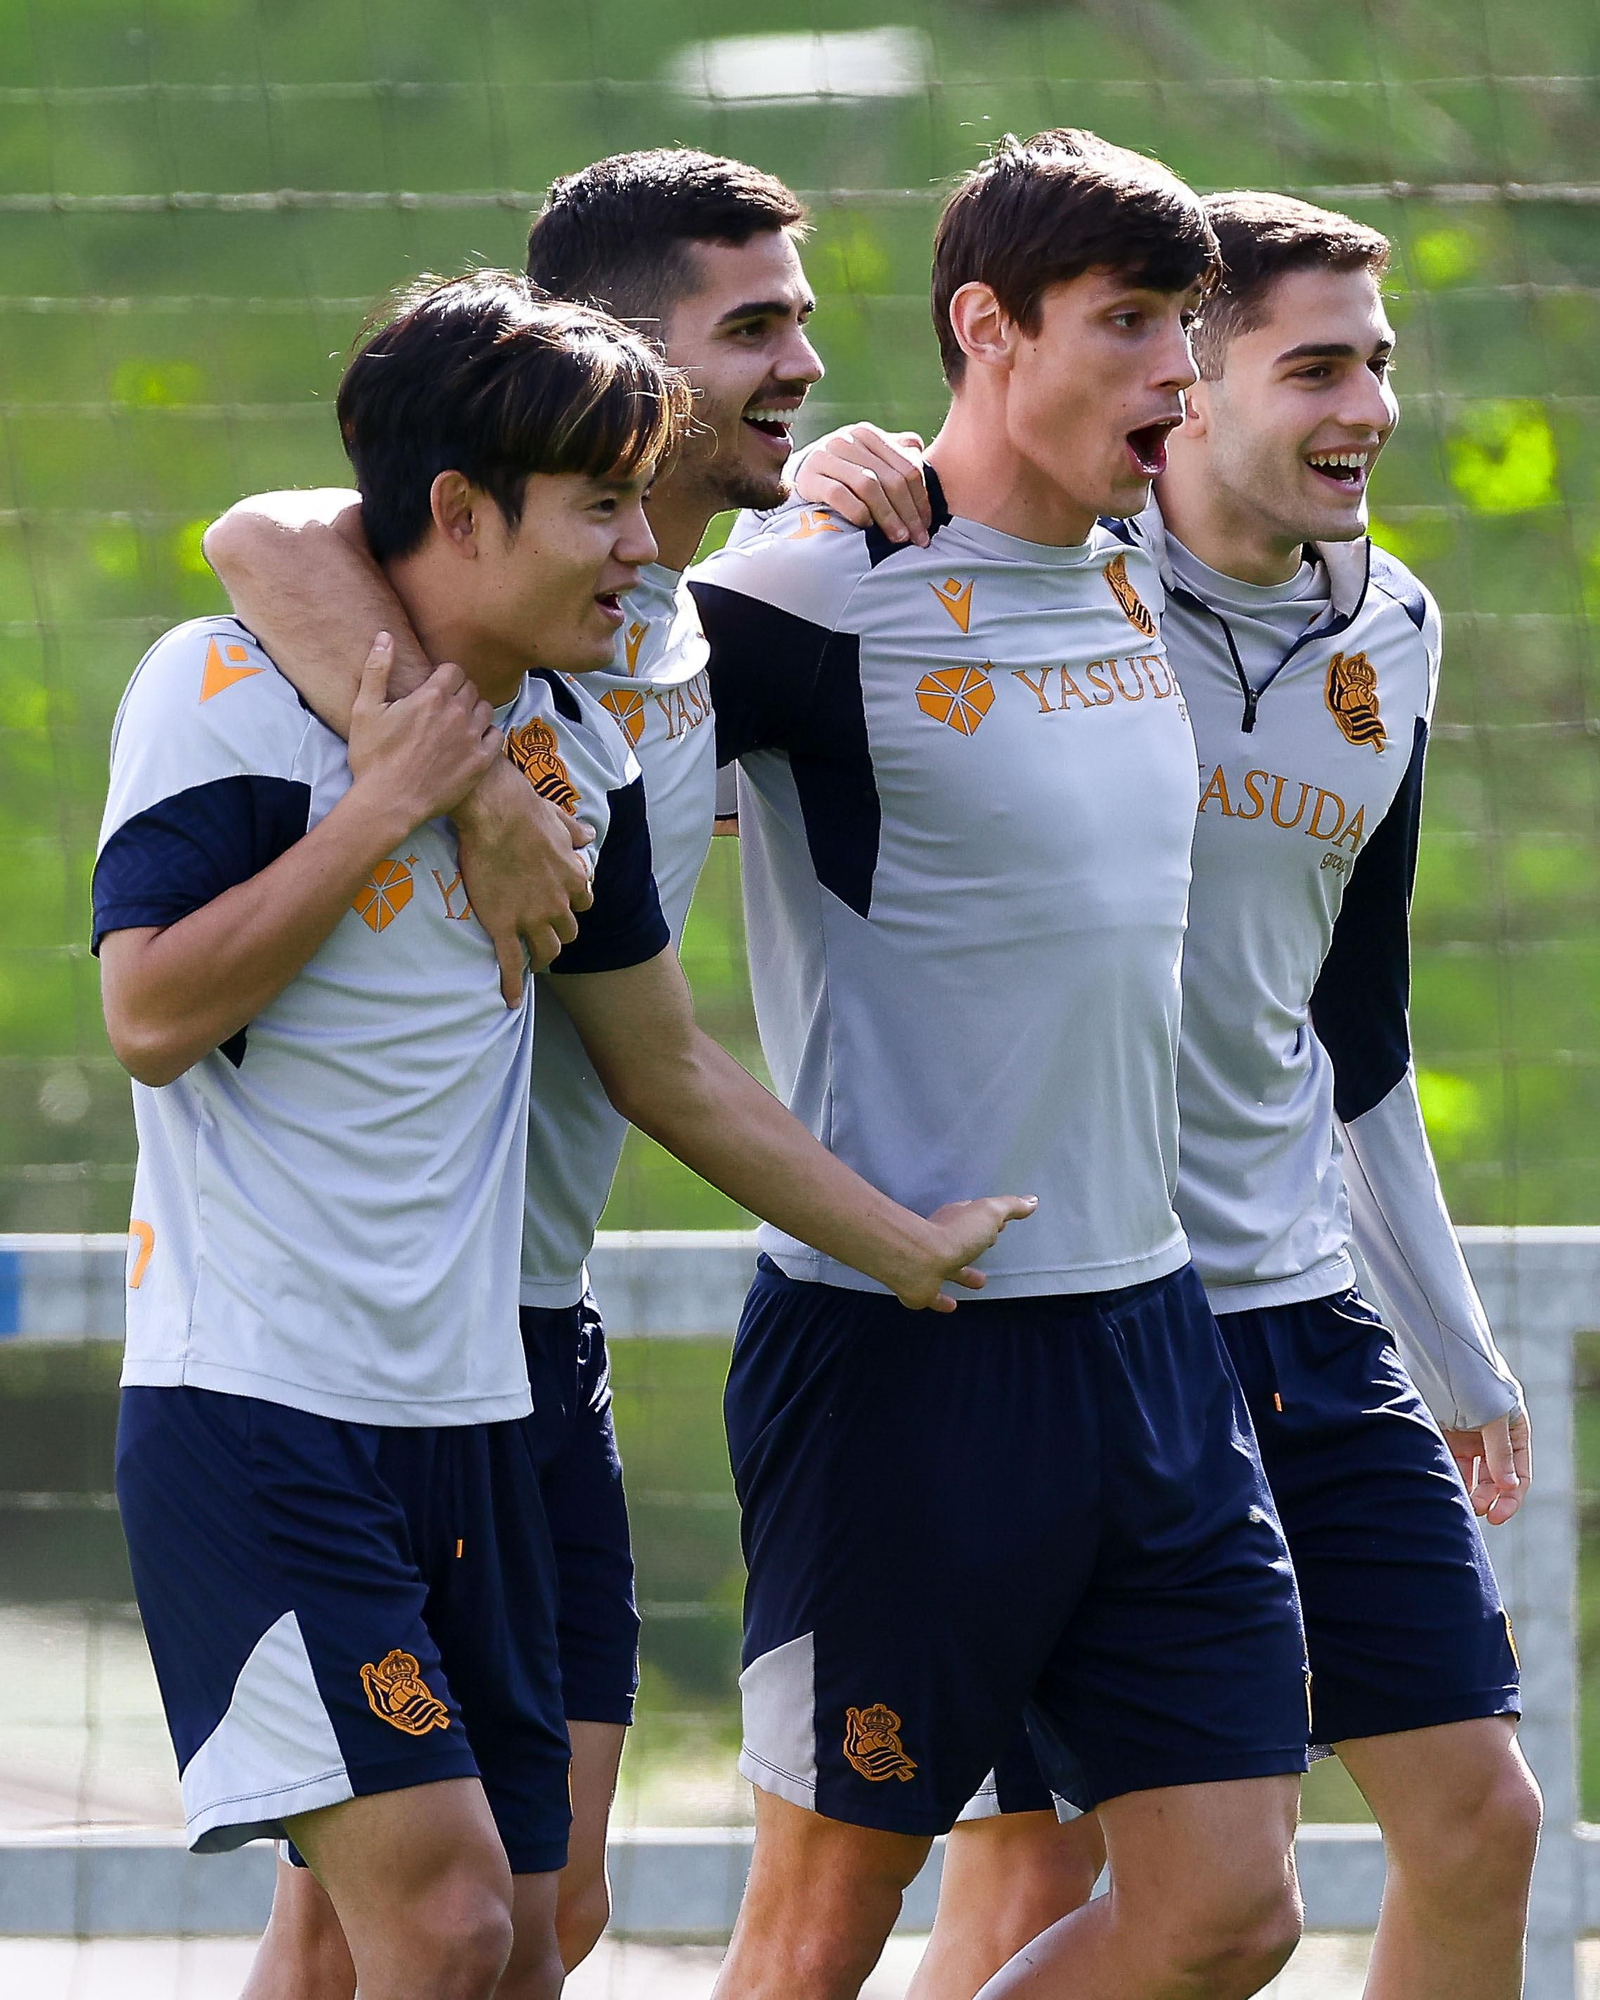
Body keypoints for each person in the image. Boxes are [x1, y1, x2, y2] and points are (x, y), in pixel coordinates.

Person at [101, 270, 1032, 2000]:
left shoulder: (575, 759)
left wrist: (902, 1247)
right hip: (260, 1413)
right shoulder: (221, 686)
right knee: (448, 1923)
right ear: (459, 513)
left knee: (526, 1939)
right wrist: (395, 803)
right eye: (601, 506)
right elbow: (151, 1019)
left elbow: (666, 1065)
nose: (639, 546)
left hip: (478, 1417)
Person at [798, 193, 1542, 2000]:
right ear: (1183, 391)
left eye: (1378, 360)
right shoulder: (1039, 579)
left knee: (1482, 1820)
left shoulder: (1398, 630)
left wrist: (1451, 1347)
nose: (1368, 404)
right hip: (1069, 1322)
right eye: (1316, 365)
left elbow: (1352, 1017)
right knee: (1036, 1877)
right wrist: (837, 475)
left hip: (1298, 1309)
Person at [201, 147, 847, 1986]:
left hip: (531, 1334)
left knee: (499, 1912)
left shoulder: (705, 596)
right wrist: (476, 784)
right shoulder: (442, 594)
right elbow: (260, 529)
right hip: (359, 1347)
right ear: (619, 367)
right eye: (757, 330)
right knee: (436, 1909)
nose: (803, 364)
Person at [689, 130, 1313, 2000]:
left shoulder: (1143, 566)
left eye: (1188, 328)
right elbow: (518, 667)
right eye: (1126, 325)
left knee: (1230, 1911)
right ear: (986, 327)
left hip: (1151, 1339)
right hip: (907, 1344)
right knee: (815, 1941)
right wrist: (777, 500)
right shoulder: (808, 594)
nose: (1176, 374)